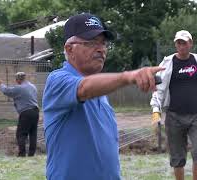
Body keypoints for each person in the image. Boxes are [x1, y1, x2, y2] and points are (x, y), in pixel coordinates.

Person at [42, 13, 164, 180]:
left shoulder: (101, 94)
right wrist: (128, 77)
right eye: (91, 43)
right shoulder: (58, 80)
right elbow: (84, 89)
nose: (100, 49)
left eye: (103, 43)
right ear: (70, 49)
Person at [150, 30, 197, 180]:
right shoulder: (167, 64)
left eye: (184, 42)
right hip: (174, 117)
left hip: (196, 116)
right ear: (175, 44)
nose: (181, 46)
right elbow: (158, 89)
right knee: (177, 158)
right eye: (179, 43)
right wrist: (155, 111)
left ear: (190, 43)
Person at [0, 72, 39, 157]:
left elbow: (7, 91)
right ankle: (31, 154)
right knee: (33, 133)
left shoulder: (20, 88)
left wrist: (1, 84)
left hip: (26, 112)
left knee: (21, 134)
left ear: (18, 80)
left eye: (16, 80)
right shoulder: (33, 86)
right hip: (36, 111)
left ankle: (22, 154)